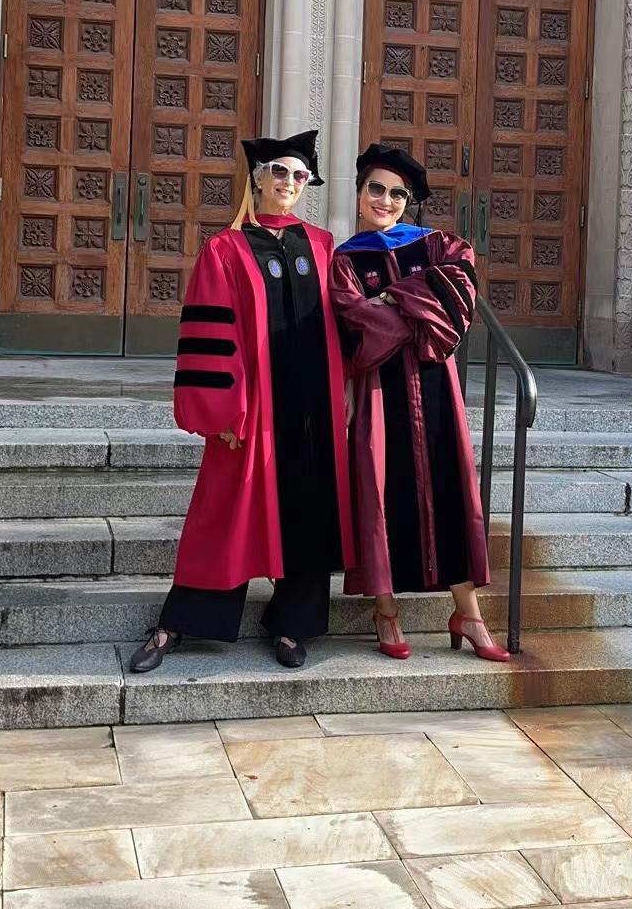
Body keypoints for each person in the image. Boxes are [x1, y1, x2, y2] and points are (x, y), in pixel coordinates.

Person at [129, 129, 354, 673]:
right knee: (224, 513)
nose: (290, 183)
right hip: (252, 412)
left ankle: (293, 626)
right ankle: (182, 620)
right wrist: (222, 411)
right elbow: (211, 332)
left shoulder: (322, 246)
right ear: (257, 178)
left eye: (300, 176)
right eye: (280, 172)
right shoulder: (224, 249)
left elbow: (346, 324)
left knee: (307, 516)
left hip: (312, 414)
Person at [331, 144, 509, 662]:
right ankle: (385, 611)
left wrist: (390, 297)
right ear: (361, 193)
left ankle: (468, 613)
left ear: (409, 201)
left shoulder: (437, 244)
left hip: (434, 385)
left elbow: (459, 297)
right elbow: (355, 323)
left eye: (397, 193)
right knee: (382, 492)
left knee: (449, 489)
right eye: (376, 189)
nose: (386, 200)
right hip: (379, 391)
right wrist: (413, 306)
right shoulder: (345, 259)